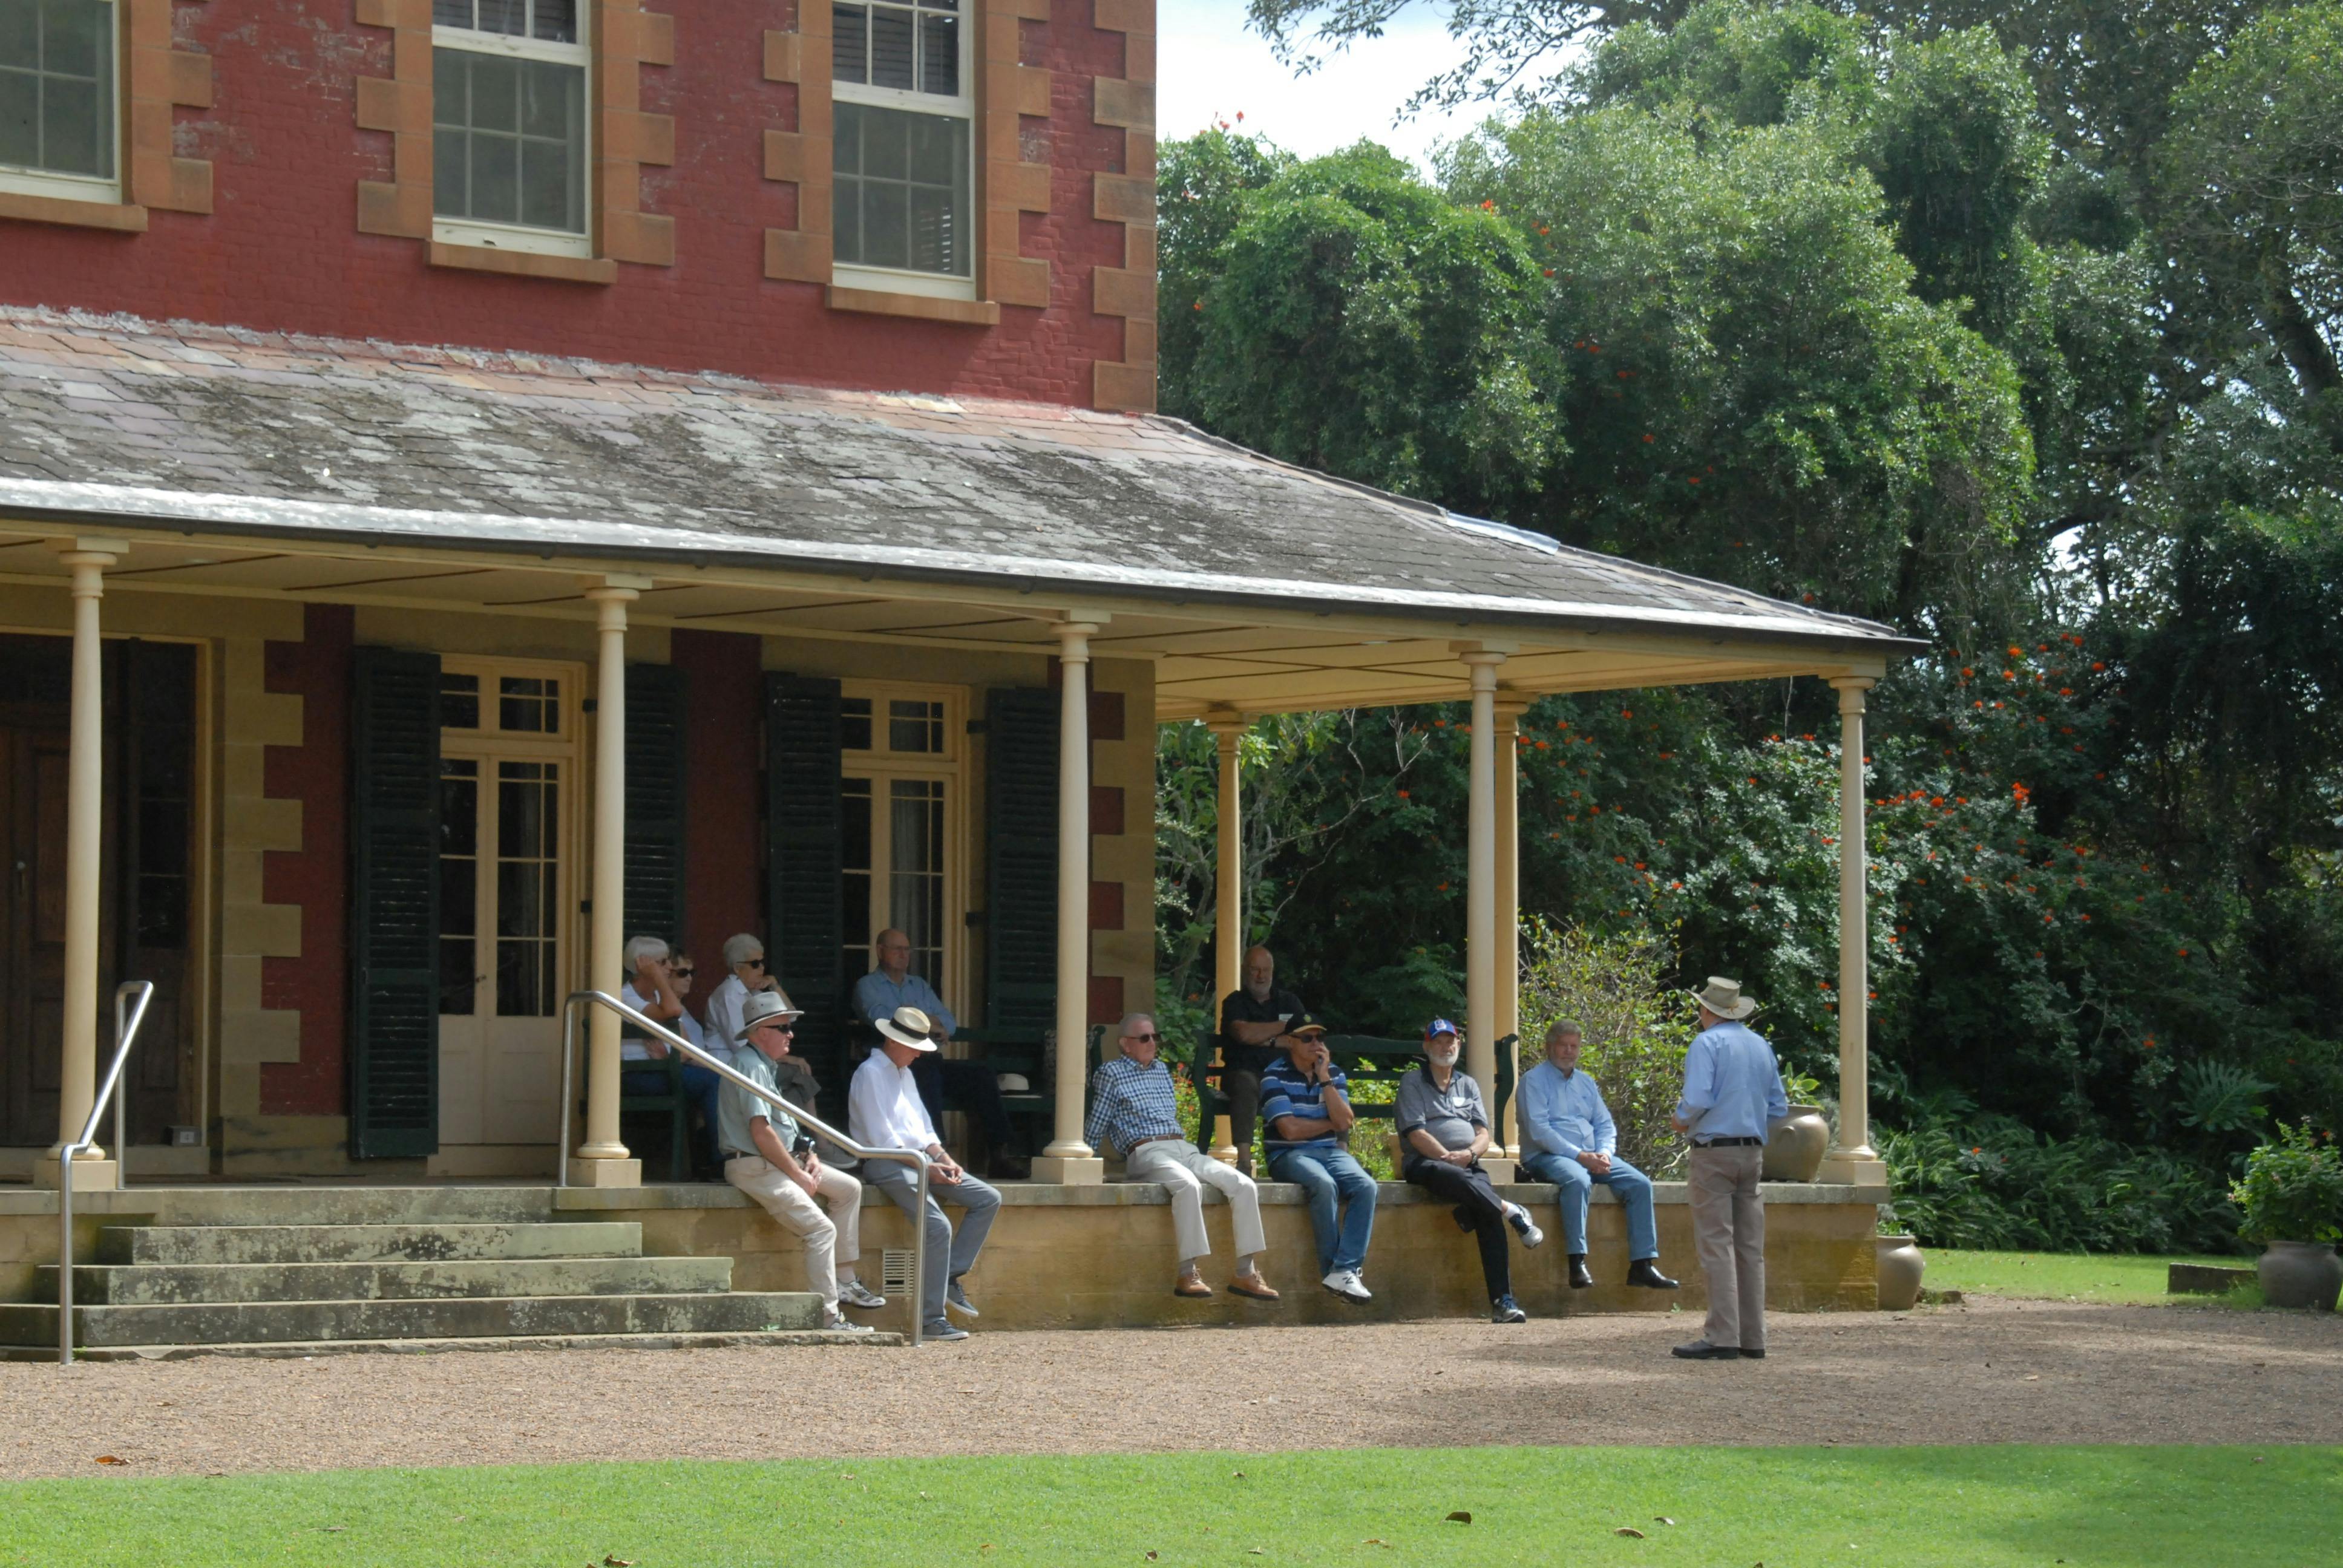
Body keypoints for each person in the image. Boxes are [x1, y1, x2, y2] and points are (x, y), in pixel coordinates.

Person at [717, 989, 886, 1331]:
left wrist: (808, 1157)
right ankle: (829, 1317)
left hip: (777, 1163)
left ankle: (844, 1278)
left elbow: (782, 1127)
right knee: (821, 1230)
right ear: (761, 1032)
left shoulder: (766, 1066)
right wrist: (797, 1174)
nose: (791, 1034)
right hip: (754, 1166)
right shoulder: (749, 1066)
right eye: (783, 1028)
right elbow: (762, 1133)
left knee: (850, 1188)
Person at [1087, 1011, 1280, 1302]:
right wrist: (1084, 1162)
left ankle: (1245, 1272)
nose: (1152, 1043)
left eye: (1155, 1037)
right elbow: (1098, 1120)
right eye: (1144, 1038)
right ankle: (1187, 1272)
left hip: (1181, 1146)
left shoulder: (1161, 1070)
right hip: (1145, 1149)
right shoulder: (1110, 1073)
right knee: (1187, 1186)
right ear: (1125, 1044)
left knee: (1243, 1184)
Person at [848, 1004, 1004, 1343]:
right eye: (915, 1047)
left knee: (988, 1197)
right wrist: (926, 1167)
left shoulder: (903, 1072)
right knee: (937, 1227)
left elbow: (925, 1130)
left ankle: (949, 1274)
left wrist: (945, 1160)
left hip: (914, 1160)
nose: (920, 1055)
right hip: (884, 1161)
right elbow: (882, 1139)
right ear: (895, 1042)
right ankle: (931, 1320)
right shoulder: (870, 1072)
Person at [1670, 976, 1788, 1362]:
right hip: (1752, 1152)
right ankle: (1754, 1337)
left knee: (1716, 1245)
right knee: (1750, 1249)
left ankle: (1722, 1335)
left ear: (1707, 1011)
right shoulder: (1760, 1045)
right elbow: (1778, 1107)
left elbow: (1698, 1098)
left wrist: (1681, 1119)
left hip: (1713, 1151)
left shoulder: (1707, 1043)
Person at [1396, 1019, 1545, 1323]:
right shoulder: (1412, 1082)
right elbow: (1415, 1134)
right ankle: (1512, 1211)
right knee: (1458, 1180)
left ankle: (1503, 1302)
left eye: (1451, 1041)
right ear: (1427, 1047)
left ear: (1459, 1046)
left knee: (1484, 1210)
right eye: (1438, 1041)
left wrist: (1469, 1154)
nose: (1445, 1046)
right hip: (1424, 1162)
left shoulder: (1468, 1084)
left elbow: (1483, 1134)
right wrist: (1447, 1157)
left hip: (1466, 1162)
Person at [851, 929, 1029, 1180]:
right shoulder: (868, 985)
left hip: (929, 1059)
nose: (904, 955)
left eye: (907, 949)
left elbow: (949, 1022)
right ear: (880, 951)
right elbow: (881, 1016)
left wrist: (923, 1018)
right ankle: (938, 1155)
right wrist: (929, 1022)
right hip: (894, 1063)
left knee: (980, 1075)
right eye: (897, 949)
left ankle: (1000, 1155)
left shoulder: (919, 986)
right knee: (926, 1073)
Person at [1516, 1019, 1679, 1293]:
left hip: (1592, 1155)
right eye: (1563, 1046)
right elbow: (1539, 1130)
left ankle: (1642, 1264)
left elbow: (1605, 1124)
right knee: (1579, 1181)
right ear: (1549, 1047)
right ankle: (1576, 1262)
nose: (1569, 1052)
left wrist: (1603, 1153)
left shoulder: (1586, 1082)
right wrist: (1581, 1157)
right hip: (1546, 1156)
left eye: (1574, 1047)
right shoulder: (1533, 1081)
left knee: (1640, 1185)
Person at [1258, 1012, 1378, 1302]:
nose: (1316, 1044)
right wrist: (1330, 1123)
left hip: (1329, 1152)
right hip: (1287, 1155)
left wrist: (1325, 1080)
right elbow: (1289, 1130)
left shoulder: (1333, 1073)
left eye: (1319, 1038)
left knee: (1367, 1186)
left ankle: (1344, 1270)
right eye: (1307, 1038)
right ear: (1289, 1042)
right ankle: (1334, 1273)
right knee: (1324, 1185)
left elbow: (1346, 1122)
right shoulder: (1273, 1076)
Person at [618, 935, 723, 1178]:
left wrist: (671, 1057)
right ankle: (720, 1161)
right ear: (643, 965)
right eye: (663, 962)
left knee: (719, 1080)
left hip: (664, 1069)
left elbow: (683, 1041)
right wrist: (656, 977)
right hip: (636, 1076)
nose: (670, 968)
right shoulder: (626, 996)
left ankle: (716, 1159)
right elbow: (673, 1011)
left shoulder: (657, 997)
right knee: (712, 1082)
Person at [1209, 946, 1305, 1176]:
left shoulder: (1288, 1001)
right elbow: (1243, 1034)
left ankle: (1338, 1154)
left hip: (1283, 1074)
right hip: (1243, 1072)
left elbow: (1302, 1036)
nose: (1261, 976)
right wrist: (1282, 1029)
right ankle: (1244, 1161)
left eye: (1266, 970)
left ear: (1272, 971)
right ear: (1245, 971)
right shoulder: (1234, 1002)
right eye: (1255, 970)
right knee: (1246, 1083)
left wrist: (1263, 1038)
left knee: (1328, 1080)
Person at [703, 932, 776, 1055]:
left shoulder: (752, 991)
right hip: (727, 1066)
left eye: (762, 962)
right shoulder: (729, 994)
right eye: (755, 964)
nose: (762, 968)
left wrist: (774, 984)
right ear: (737, 968)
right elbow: (740, 1043)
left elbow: (790, 1017)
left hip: (753, 1060)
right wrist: (782, 1058)